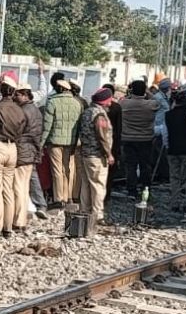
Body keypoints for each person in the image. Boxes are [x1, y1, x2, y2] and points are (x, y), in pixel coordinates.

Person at [0, 74, 27, 238]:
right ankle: (8, 227)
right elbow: (21, 131)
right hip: (13, 148)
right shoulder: (19, 110)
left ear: (1, 90)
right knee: (8, 189)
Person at [40, 74, 83, 207]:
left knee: (57, 170)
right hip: (70, 142)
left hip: (54, 141)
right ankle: (67, 195)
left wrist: (41, 143)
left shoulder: (52, 102)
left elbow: (47, 126)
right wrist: (75, 142)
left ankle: (58, 198)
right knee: (66, 169)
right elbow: (79, 126)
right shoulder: (77, 104)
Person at [78, 88, 115, 224]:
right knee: (98, 185)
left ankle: (85, 210)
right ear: (105, 101)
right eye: (109, 101)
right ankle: (98, 214)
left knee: (86, 184)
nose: (110, 104)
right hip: (97, 155)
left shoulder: (87, 112)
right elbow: (102, 137)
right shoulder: (99, 115)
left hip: (85, 153)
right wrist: (109, 154)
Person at [120, 80, 159, 200]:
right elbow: (158, 101)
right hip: (146, 139)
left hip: (128, 138)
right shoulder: (151, 104)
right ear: (144, 91)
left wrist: (130, 94)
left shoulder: (124, 104)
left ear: (131, 90)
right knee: (145, 165)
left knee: (130, 165)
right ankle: (145, 188)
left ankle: (131, 191)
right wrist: (147, 92)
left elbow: (122, 100)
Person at [13, 83, 43, 232]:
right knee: (24, 187)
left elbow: (17, 132)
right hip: (32, 151)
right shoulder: (36, 110)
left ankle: (18, 221)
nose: (14, 97)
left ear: (25, 94)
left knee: (18, 187)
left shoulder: (22, 111)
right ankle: (21, 218)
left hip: (22, 151)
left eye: (17, 94)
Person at [164, 91, 186, 220]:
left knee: (174, 177)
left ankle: (174, 203)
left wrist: (168, 147)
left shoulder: (168, 115)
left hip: (173, 150)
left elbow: (165, 134)